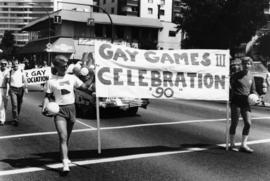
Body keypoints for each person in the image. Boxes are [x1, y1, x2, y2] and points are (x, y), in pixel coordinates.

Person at [42, 55, 92, 172]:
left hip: (72, 109)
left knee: (66, 137)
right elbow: (47, 97)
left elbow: (84, 87)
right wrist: (44, 108)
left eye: (66, 66)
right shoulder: (51, 81)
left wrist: (93, 77)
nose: (65, 68)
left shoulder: (72, 78)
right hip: (59, 111)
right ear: (57, 67)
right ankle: (65, 162)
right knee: (63, 136)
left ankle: (63, 154)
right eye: (63, 66)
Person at [229, 56, 258, 153]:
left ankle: (243, 145)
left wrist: (256, 97)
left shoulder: (251, 76)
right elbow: (229, 86)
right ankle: (232, 144)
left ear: (251, 65)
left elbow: (253, 90)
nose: (247, 65)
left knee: (248, 123)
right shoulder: (236, 75)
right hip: (236, 102)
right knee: (234, 123)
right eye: (245, 63)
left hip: (246, 103)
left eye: (249, 63)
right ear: (242, 65)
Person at [9, 59, 28, 126]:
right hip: (13, 89)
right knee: (14, 105)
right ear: (12, 65)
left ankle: (17, 115)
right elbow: (8, 82)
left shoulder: (21, 71)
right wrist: (8, 90)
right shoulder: (10, 71)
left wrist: (25, 88)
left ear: (18, 64)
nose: (15, 65)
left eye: (16, 63)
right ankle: (15, 119)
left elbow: (25, 80)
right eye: (14, 64)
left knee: (19, 104)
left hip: (20, 89)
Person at [0, 59, 10, 126]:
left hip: (5, 89)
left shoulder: (8, 71)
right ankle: (2, 120)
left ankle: (2, 117)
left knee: (5, 105)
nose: (3, 65)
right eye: (2, 64)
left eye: (5, 64)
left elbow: (8, 83)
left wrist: (7, 92)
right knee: (1, 105)